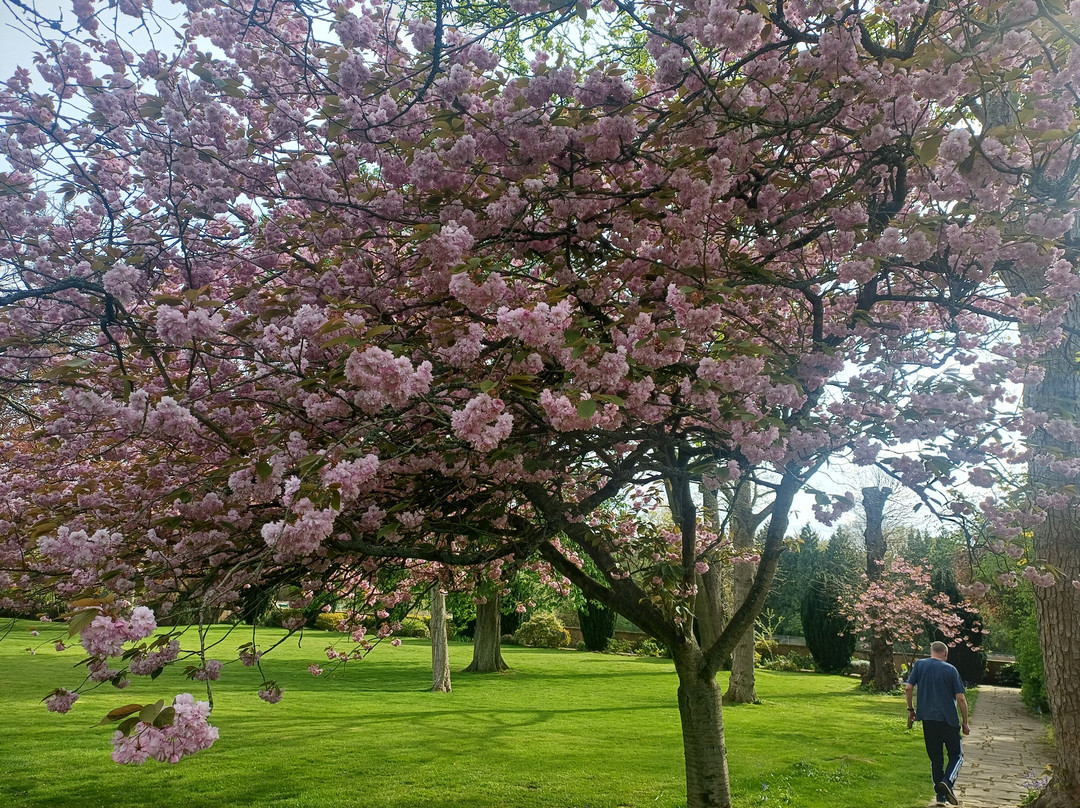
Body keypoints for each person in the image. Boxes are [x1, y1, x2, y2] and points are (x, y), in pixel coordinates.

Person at [906, 641, 971, 805]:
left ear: (931, 652)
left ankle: (941, 798)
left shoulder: (920, 665)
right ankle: (947, 782)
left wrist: (911, 710)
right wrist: (965, 722)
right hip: (948, 720)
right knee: (957, 756)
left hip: (927, 719)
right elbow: (961, 698)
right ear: (946, 654)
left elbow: (908, 687)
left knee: (936, 759)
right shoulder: (950, 669)